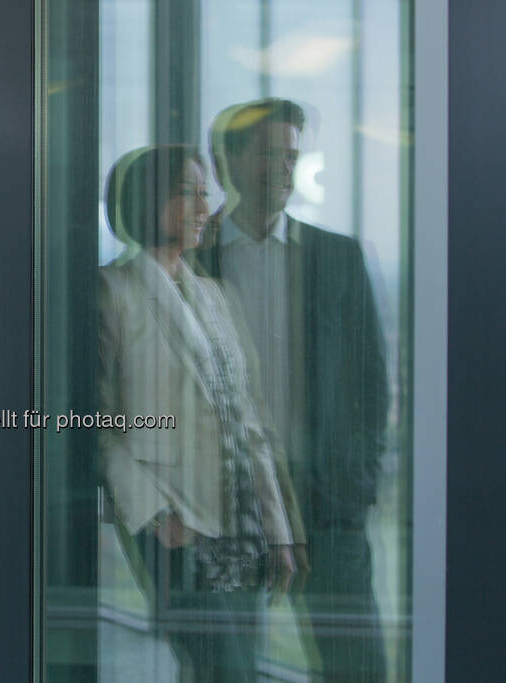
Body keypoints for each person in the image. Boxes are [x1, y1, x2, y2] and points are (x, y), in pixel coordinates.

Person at [188, 98, 390, 682]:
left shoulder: (337, 257)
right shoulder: (193, 258)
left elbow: (370, 384)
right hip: (227, 499)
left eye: (292, 156)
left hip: (327, 499)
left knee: (357, 665)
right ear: (226, 163)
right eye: (269, 155)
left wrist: (357, 485)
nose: (283, 170)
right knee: (225, 669)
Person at [99, 144, 296, 682]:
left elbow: (247, 418)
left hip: (239, 522)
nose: (204, 205)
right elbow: (101, 423)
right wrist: (157, 516)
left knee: (226, 673)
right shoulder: (112, 290)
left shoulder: (214, 294)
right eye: (187, 191)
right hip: (174, 522)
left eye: (205, 192)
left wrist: (277, 525)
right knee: (225, 670)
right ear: (146, 201)